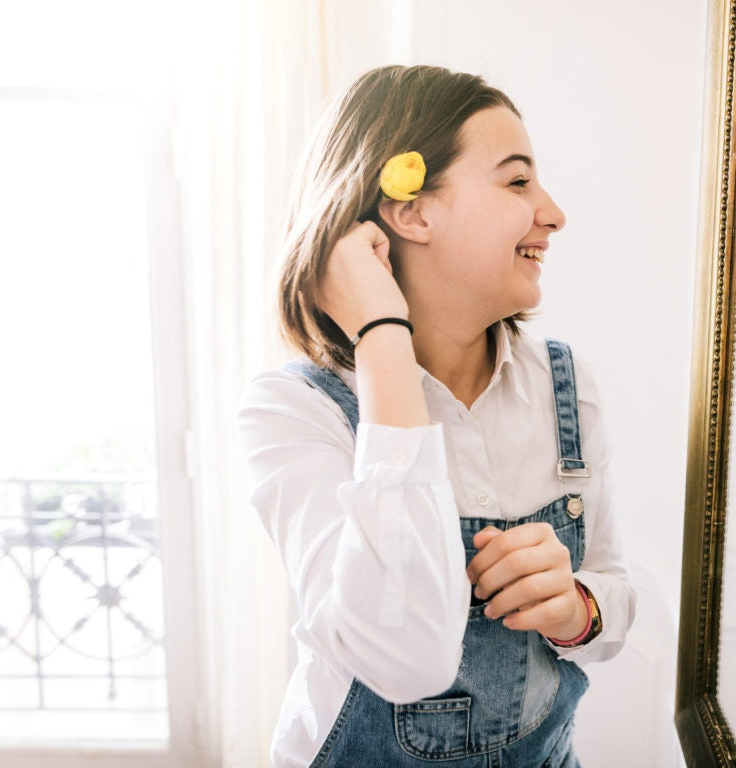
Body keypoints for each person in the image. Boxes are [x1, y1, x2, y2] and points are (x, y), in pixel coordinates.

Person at [237, 65, 634, 768]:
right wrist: (382, 331)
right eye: (517, 182)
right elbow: (406, 660)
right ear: (412, 211)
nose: (552, 212)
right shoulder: (293, 412)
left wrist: (578, 608)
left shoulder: (568, 386)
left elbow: (616, 597)